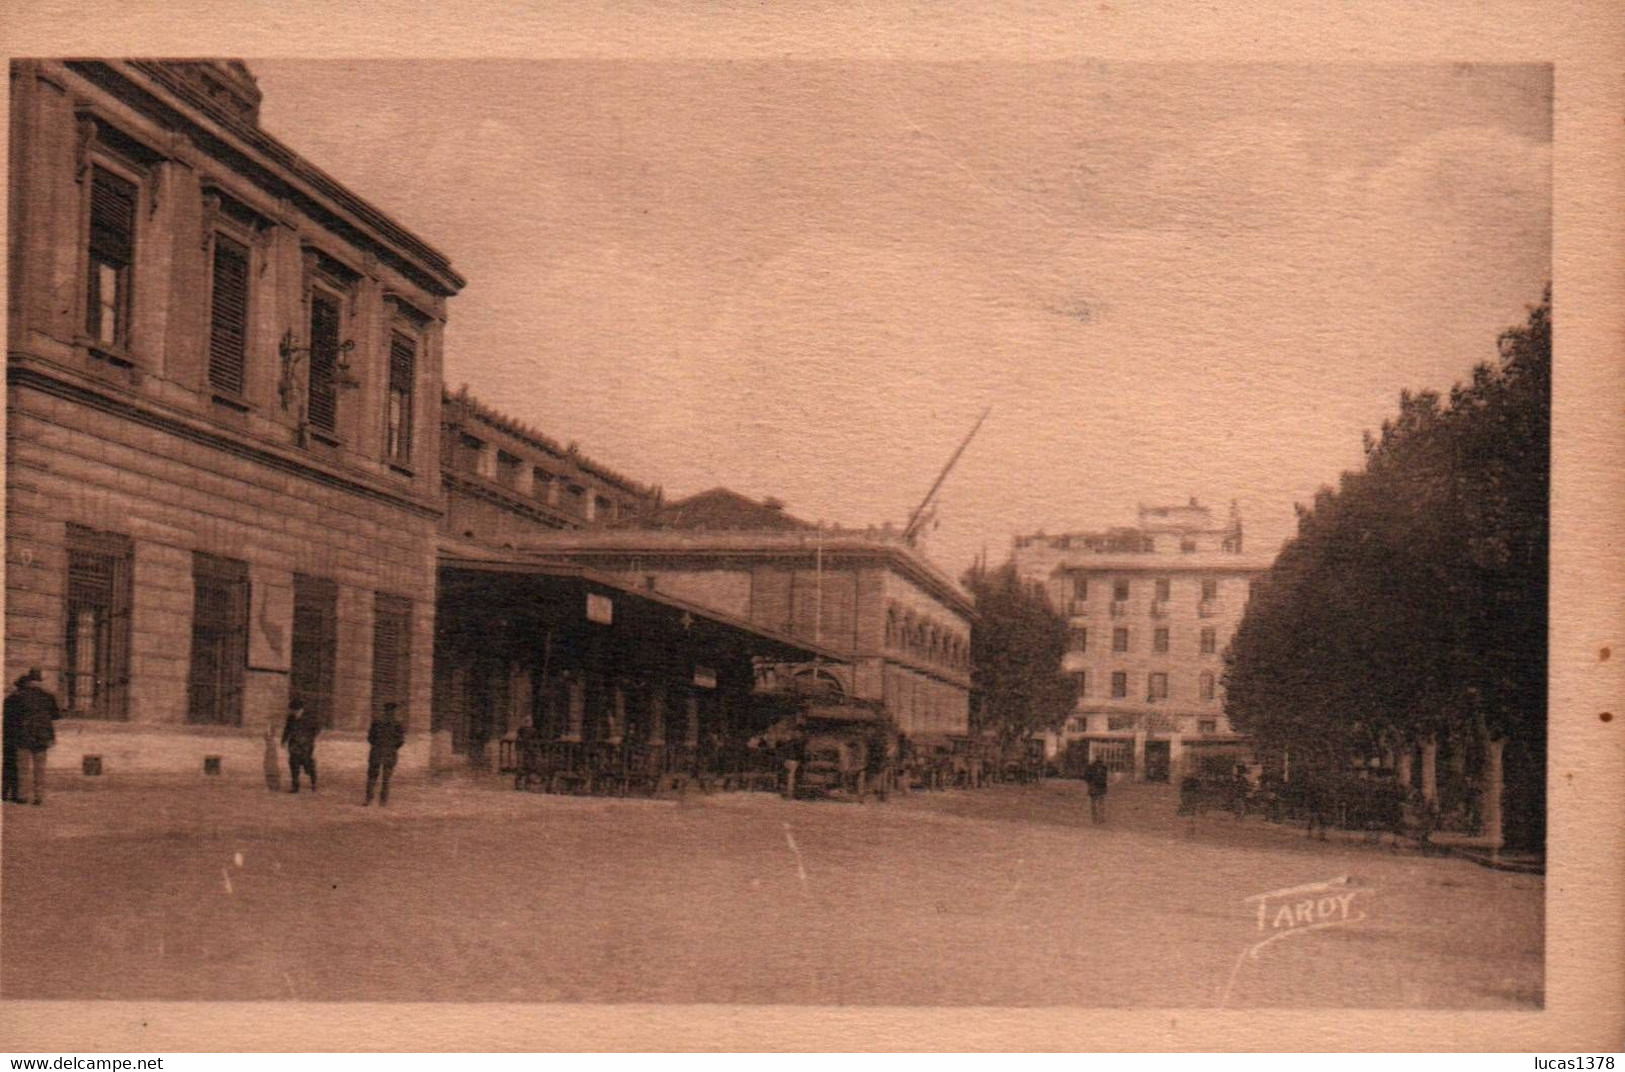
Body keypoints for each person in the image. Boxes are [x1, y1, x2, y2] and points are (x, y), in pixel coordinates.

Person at [7, 668, 60, 806]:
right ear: (40, 680)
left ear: (28, 680)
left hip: (23, 734)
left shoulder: (18, 696)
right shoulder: (48, 696)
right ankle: (39, 797)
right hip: (42, 735)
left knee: (23, 767)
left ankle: (22, 796)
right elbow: (56, 716)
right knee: (39, 768)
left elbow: (11, 716)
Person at [365, 702, 407, 806]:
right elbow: (400, 741)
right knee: (386, 778)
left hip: (376, 752)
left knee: (372, 777)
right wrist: (393, 747)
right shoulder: (397, 725)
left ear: (384, 711)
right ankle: (383, 801)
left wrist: (376, 745)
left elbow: (370, 738)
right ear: (394, 711)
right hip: (390, 753)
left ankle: (369, 799)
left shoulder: (376, 722)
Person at [281, 697, 320, 793]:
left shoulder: (310, 717)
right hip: (294, 744)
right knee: (293, 764)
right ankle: (295, 786)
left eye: (295, 711)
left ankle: (313, 782)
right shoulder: (291, 718)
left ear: (300, 709)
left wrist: (309, 737)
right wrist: (284, 740)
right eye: (293, 711)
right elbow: (287, 729)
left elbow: (317, 729)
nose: (294, 713)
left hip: (306, 745)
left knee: (307, 764)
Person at [1083, 755, 1110, 824]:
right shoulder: (1104, 767)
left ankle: (1094, 819)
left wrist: (1089, 783)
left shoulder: (1090, 767)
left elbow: (1086, 777)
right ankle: (1101, 819)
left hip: (1093, 786)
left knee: (1093, 803)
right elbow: (1105, 777)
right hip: (1101, 787)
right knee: (1101, 803)